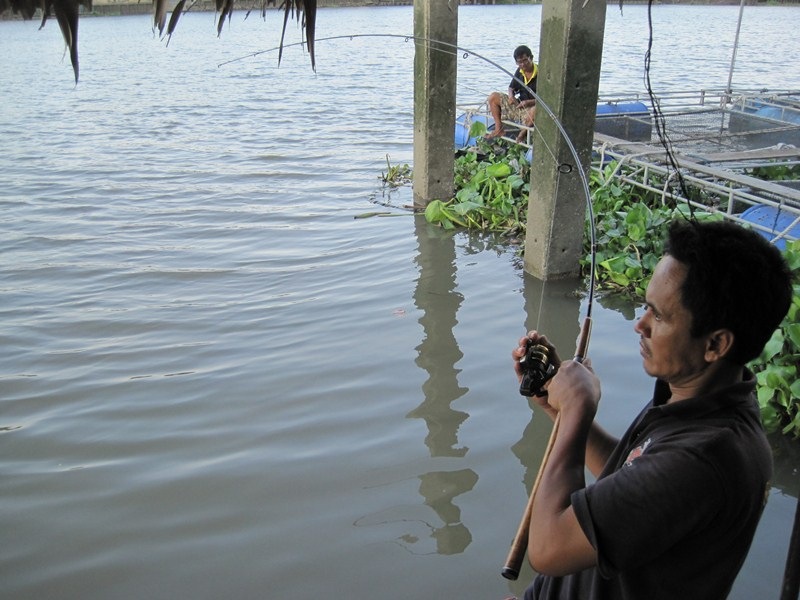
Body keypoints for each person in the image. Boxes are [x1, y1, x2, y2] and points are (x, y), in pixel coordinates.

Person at [511, 219, 793, 600]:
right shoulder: (704, 400)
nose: (639, 325)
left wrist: (577, 407)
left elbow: (548, 550)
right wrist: (557, 409)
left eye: (658, 316)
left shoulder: (704, 459)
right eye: (645, 306)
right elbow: (636, 478)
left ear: (715, 344)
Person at [486, 45, 538, 142]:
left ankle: (522, 134)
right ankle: (498, 129)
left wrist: (529, 102)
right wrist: (511, 96)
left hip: (532, 108)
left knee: (535, 110)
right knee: (493, 97)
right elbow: (511, 87)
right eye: (519, 62)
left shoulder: (540, 72)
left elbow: (545, 99)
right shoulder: (520, 71)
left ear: (531, 58)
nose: (523, 64)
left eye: (525, 60)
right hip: (518, 105)